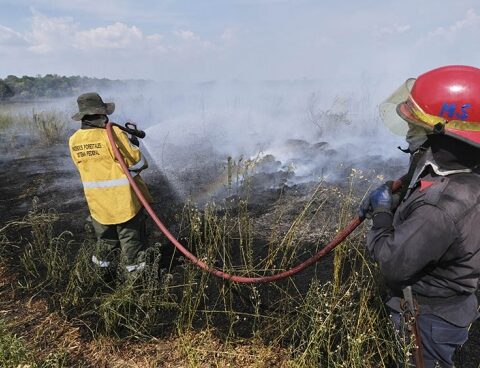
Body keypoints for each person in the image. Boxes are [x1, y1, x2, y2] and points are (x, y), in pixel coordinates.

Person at [359, 65, 480, 368]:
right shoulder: (466, 176)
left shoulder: (440, 207)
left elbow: (393, 263)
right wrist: (408, 191)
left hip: (429, 322)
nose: (410, 135)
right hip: (456, 310)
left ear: (441, 135)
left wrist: (383, 214)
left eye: (416, 127)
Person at [69, 92, 152, 275]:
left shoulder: (74, 140)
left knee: (105, 240)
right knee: (132, 240)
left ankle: (102, 277)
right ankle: (136, 281)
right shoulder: (112, 133)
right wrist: (134, 145)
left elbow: (84, 167)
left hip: (98, 203)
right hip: (124, 202)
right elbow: (138, 164)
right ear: (102, 113)